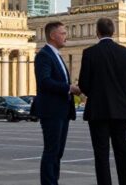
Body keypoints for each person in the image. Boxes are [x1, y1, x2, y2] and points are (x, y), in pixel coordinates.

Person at [78, 17, 126, 185]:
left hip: (98, 112)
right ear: (114, 32)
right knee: (122, 152)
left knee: (101, 155)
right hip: (121, 112)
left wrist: (95, 94)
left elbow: (84, 84)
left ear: (97, 32)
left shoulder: (89, 53)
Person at [32, 21, 80, 185]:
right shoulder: (44, 55)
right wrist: (69, 88)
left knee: (58, 152)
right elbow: (44, 82)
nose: (66, 36)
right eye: (63, 33)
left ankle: (53, 181)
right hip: (51, 111)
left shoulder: (57, 55)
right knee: (52, 150)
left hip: (62, 111)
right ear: (53, 36)